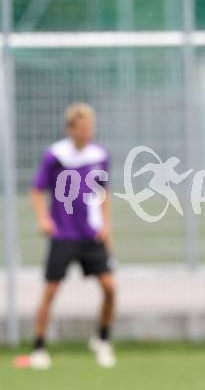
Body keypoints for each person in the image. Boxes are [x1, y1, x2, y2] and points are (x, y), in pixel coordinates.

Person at [30, 103, 116, 369]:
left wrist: (106, 225)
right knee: (51, 290)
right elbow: (37, 189)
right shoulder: (55, 155)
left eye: (90, 127)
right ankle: (39, 347)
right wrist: (43, 218)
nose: (87, 132)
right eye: (82, 128)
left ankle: (102, 340)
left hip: (91, 235)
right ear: (71, 129)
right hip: (64, 234)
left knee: (110, 288)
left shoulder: (99, 155)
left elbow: (103, 192)